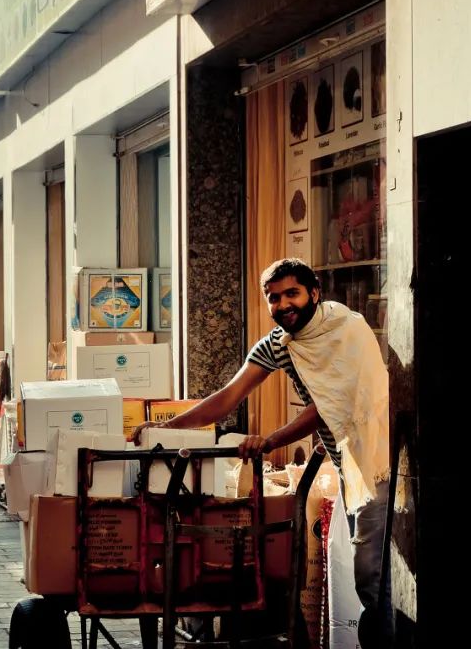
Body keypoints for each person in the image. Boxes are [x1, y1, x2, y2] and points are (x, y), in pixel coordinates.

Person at [131, 258, 392, 647]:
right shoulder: (278, 343)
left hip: (379, 465)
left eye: (292, 293)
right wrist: (165, 428)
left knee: (372, 578)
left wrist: (270, 440)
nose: (283, 304)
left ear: (314, 293)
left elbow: (327, 404)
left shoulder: (346, 328)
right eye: (273, 298)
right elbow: (228, 397)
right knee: (371, 579)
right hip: (348, 468)